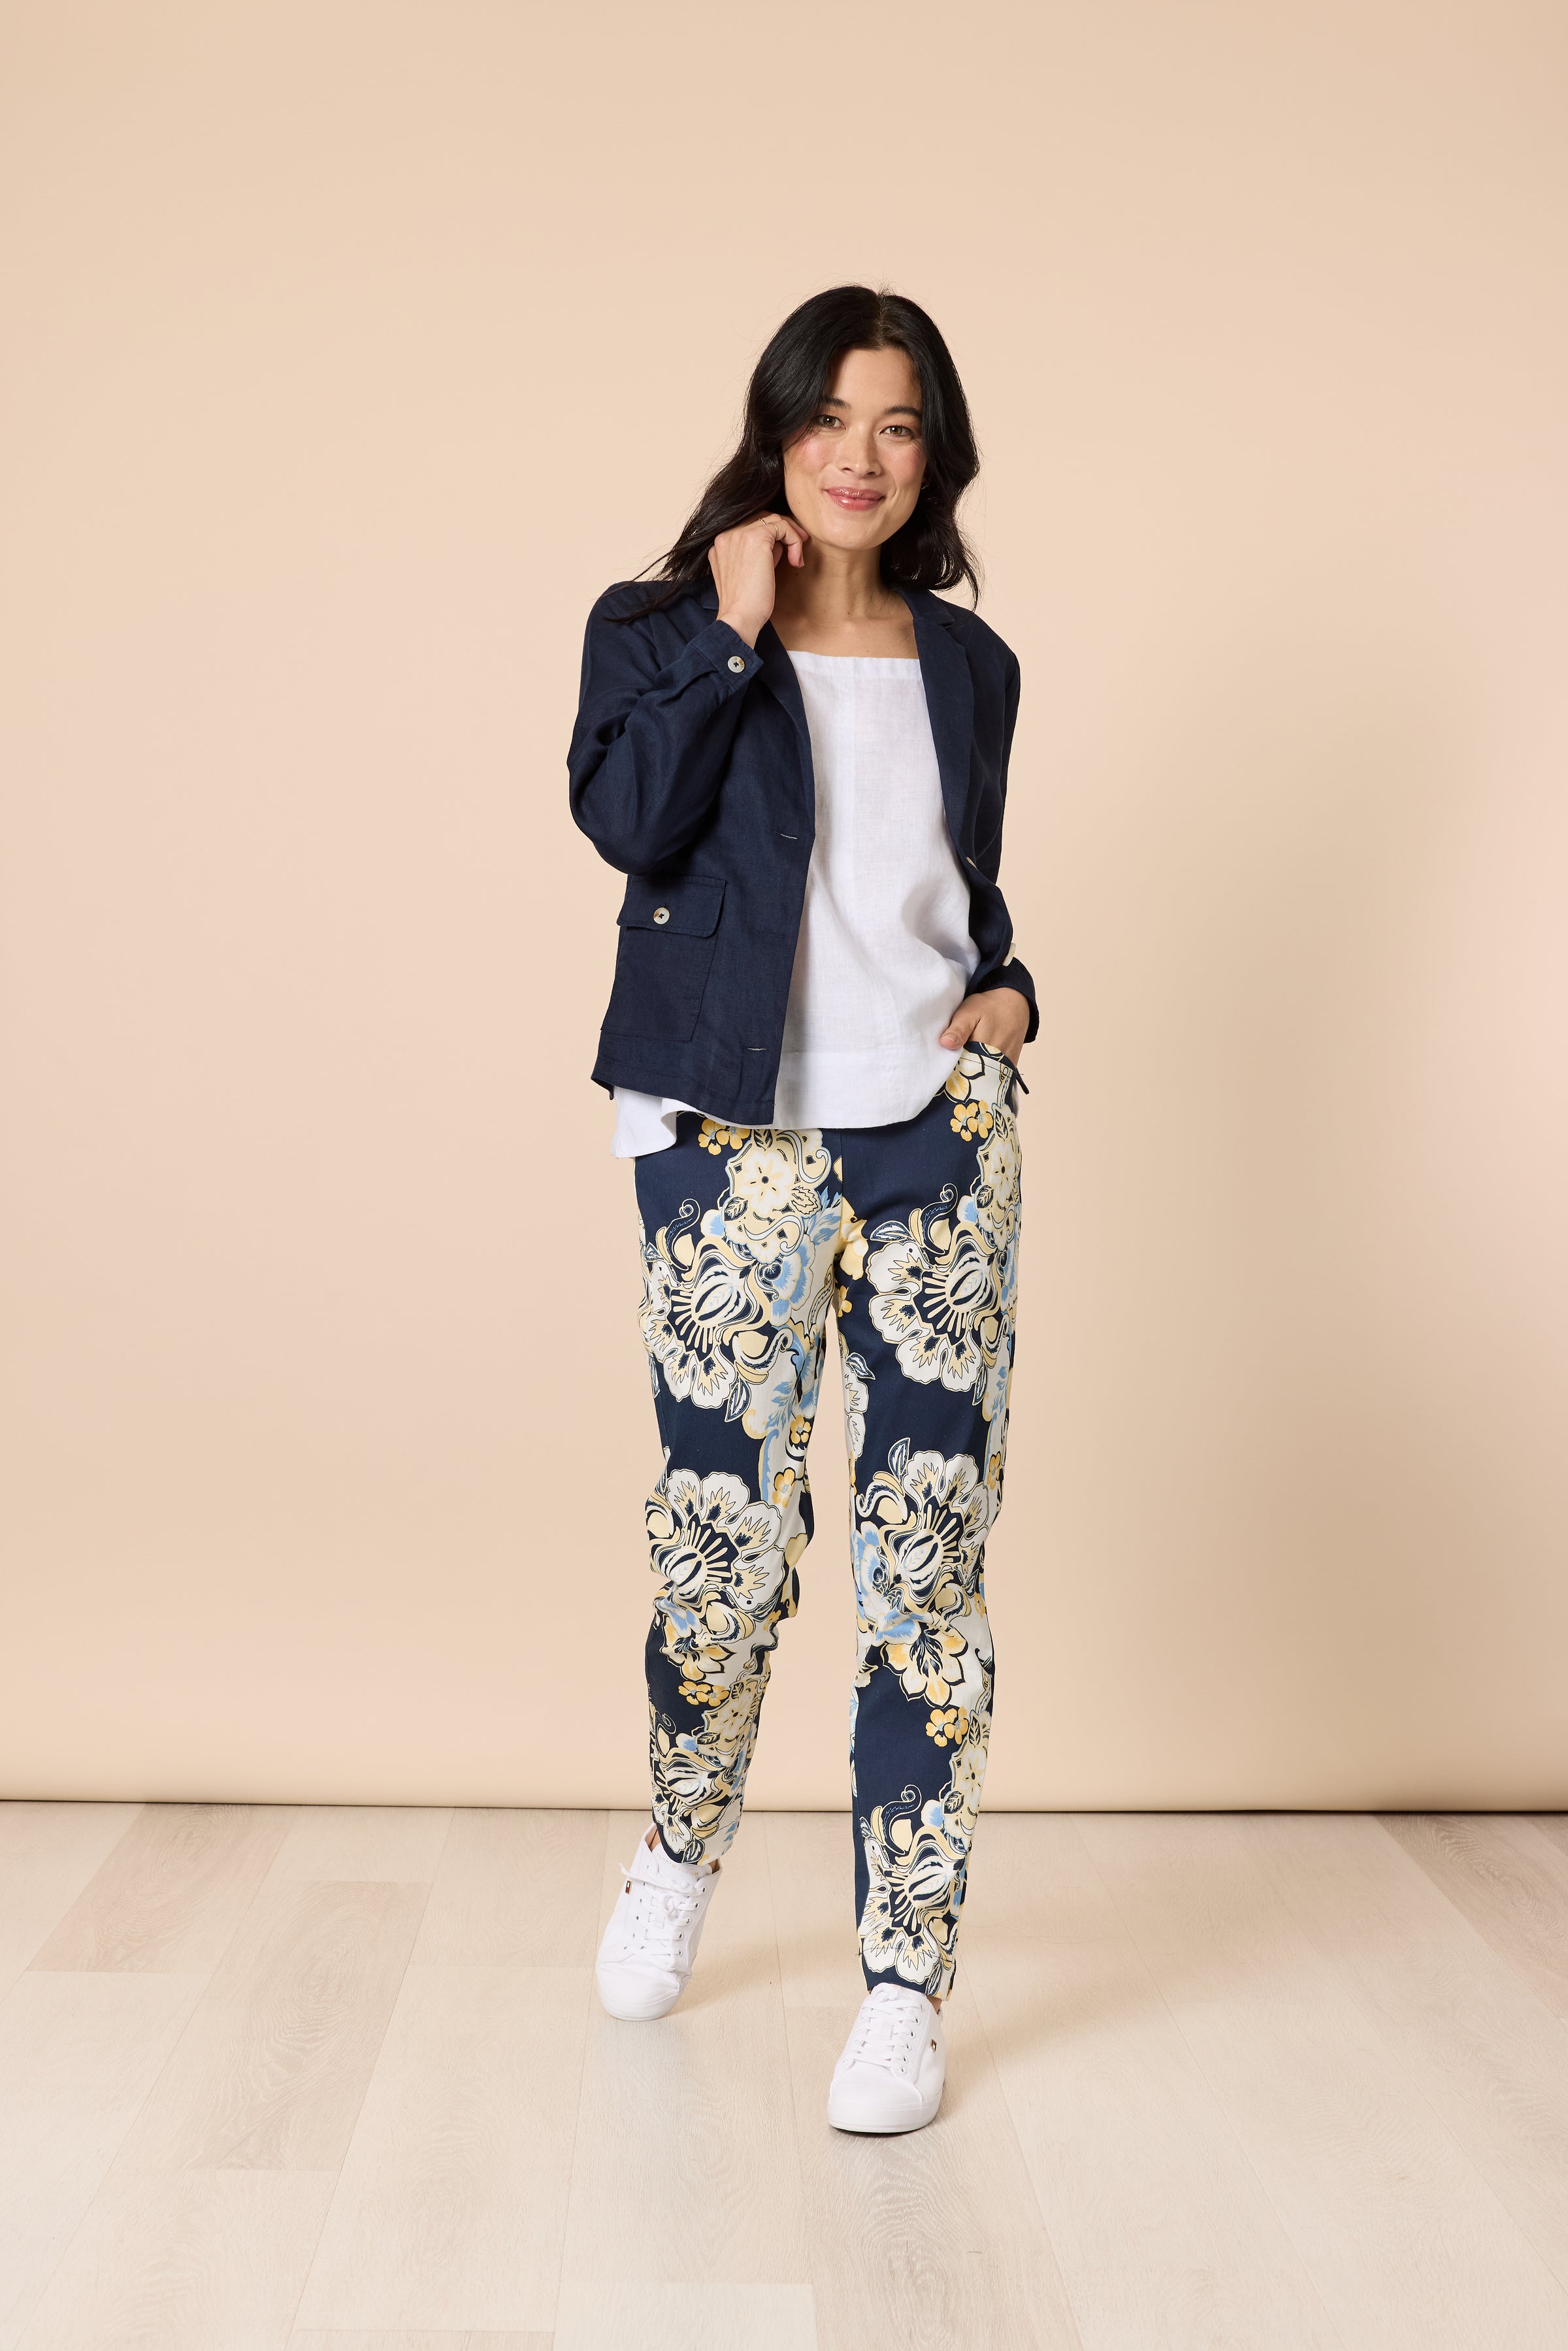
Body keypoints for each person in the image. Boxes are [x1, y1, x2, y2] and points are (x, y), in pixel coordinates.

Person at [566, 285, 1035, 2134]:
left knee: (929, 1567)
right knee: (726, 1546)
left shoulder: (973, 665)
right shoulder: (656, 629)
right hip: (726, 1132)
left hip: (933, 1137)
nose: (861, 454)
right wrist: (734, 635)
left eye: (897, 424)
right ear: (777, 434)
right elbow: (627, 822)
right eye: (830, 418)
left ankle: (905, 1986)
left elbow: (953, 894)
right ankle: (680, 1851)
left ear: (934, 456)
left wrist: (1011, 994)